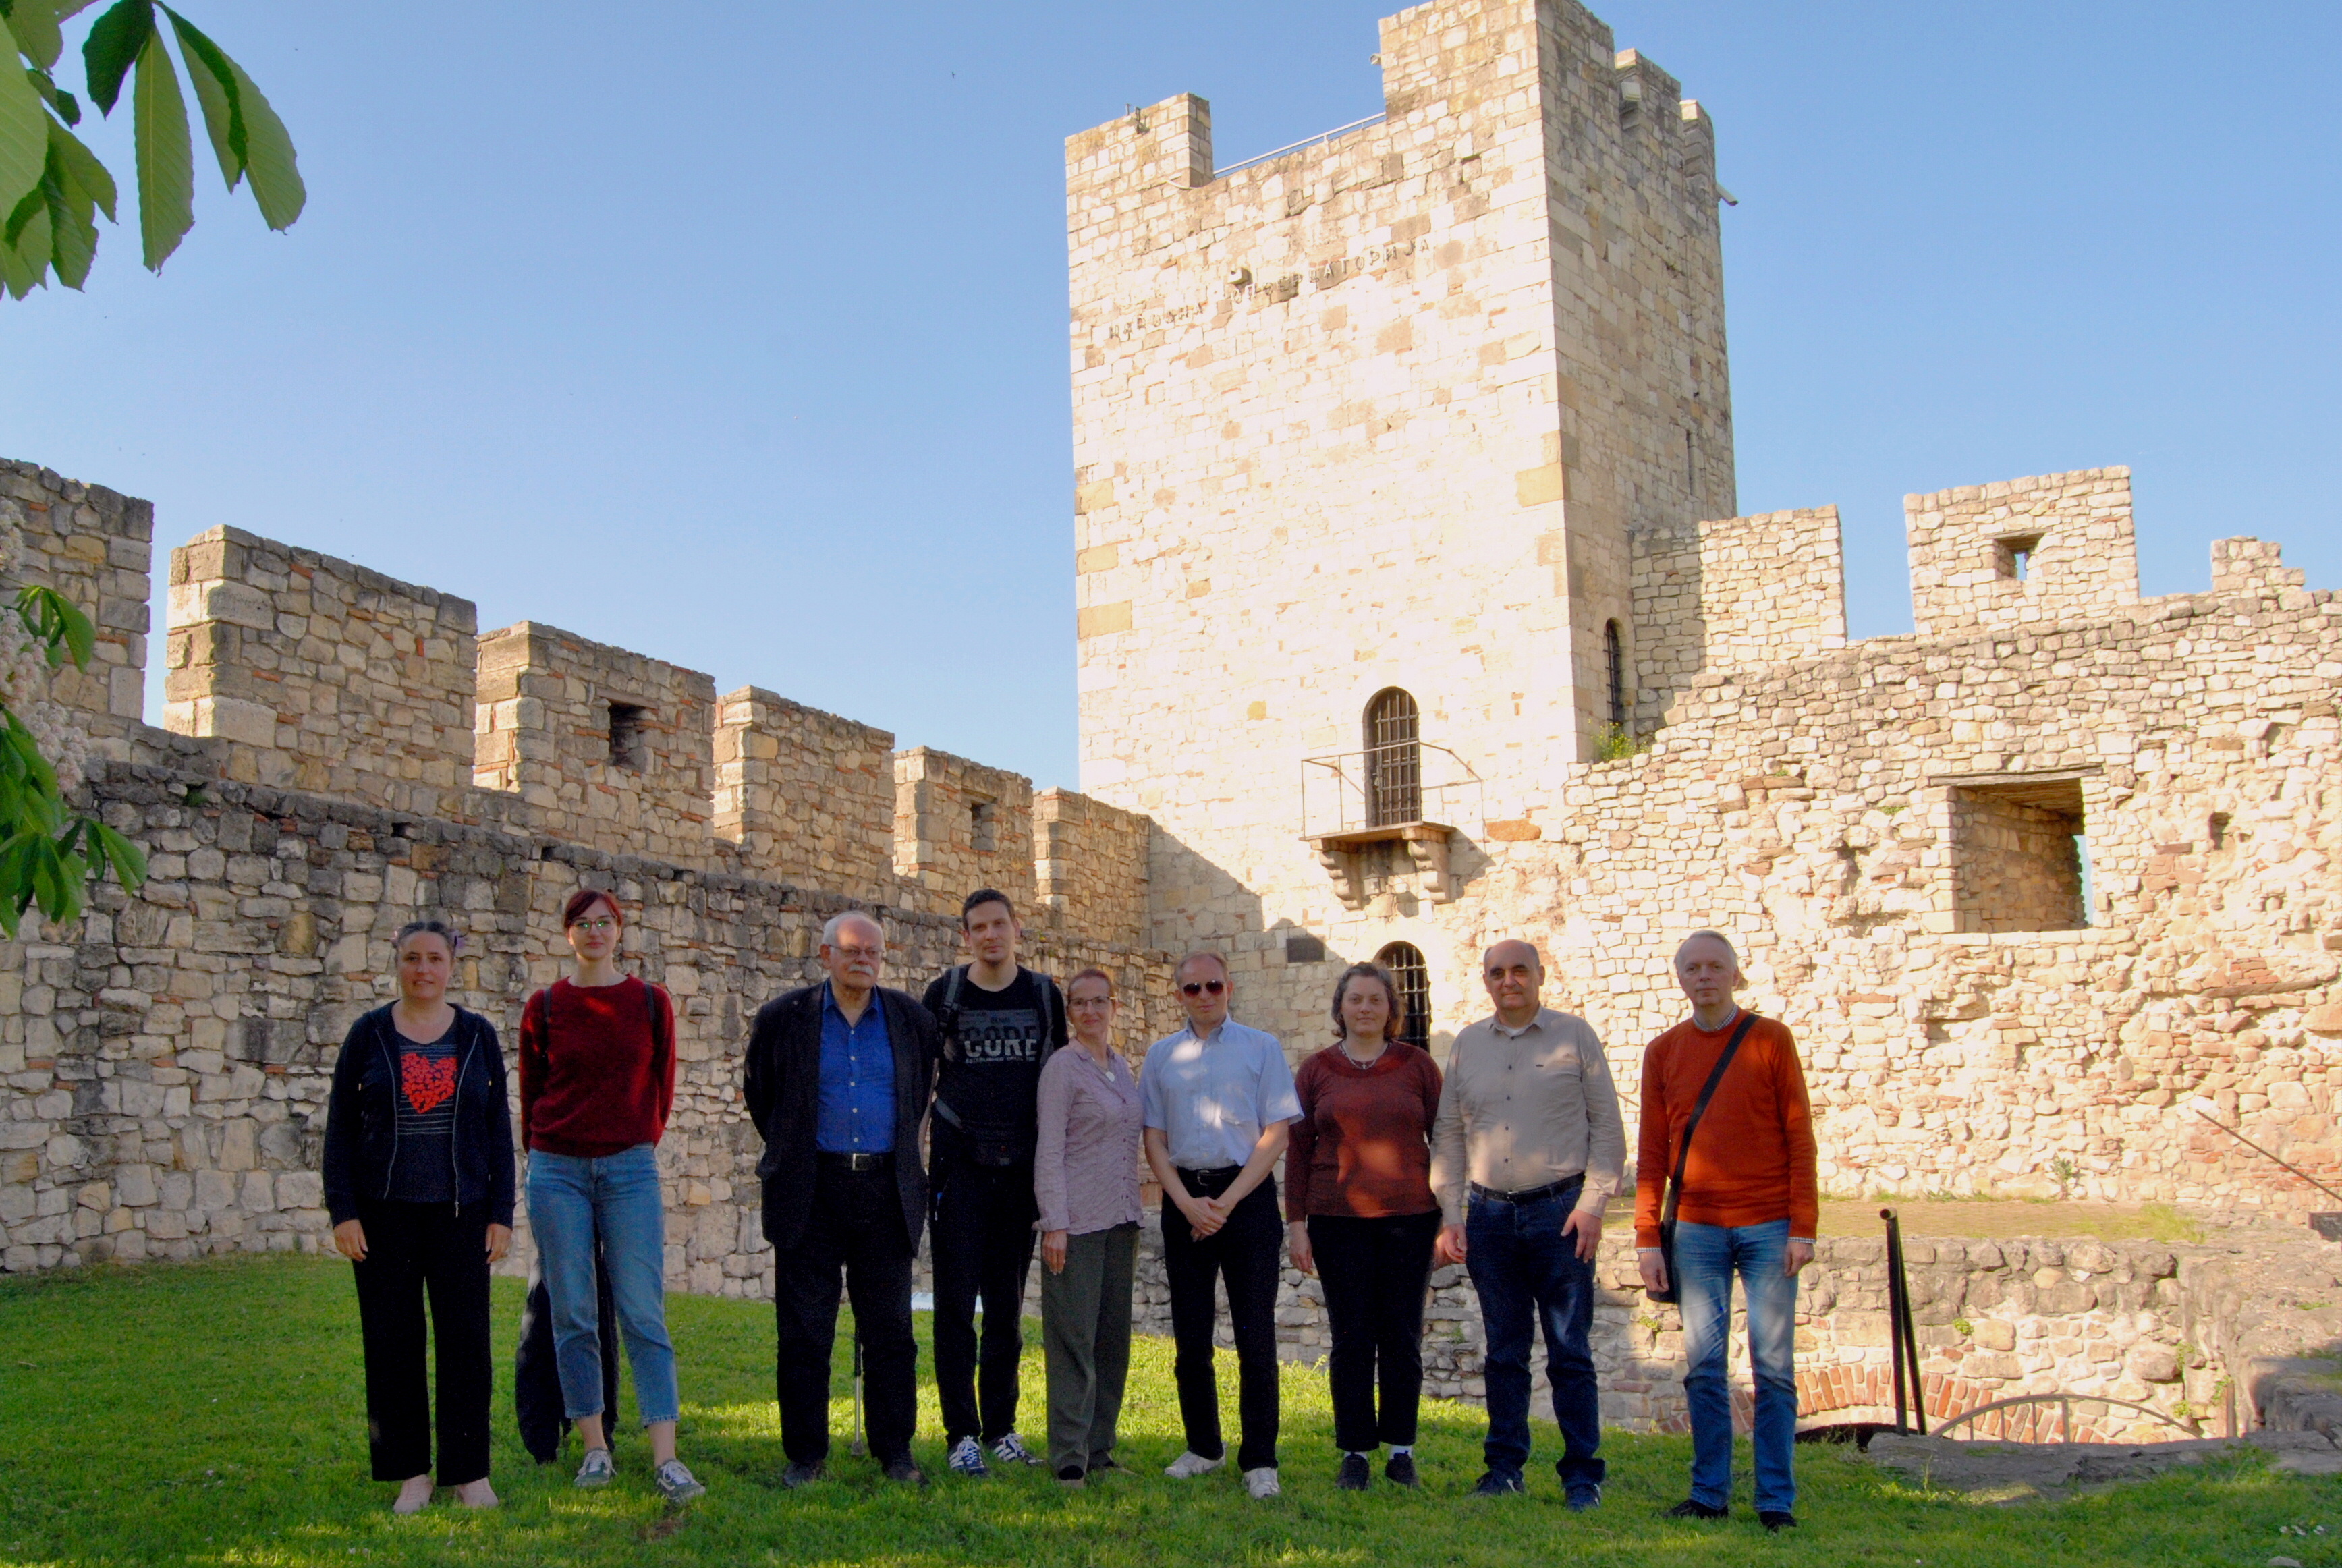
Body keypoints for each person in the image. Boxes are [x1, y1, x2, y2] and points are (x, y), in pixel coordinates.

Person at [744, 909, 943, 1488]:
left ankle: (895, 1451)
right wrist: (794, 1151)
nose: (863, 960)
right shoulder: (784, 1017)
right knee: (804, 1331)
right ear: (826, 954)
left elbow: (919, 1094)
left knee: (890, 1331)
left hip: (885, 1189)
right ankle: (805, 1455)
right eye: (852, 950)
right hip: (810, 1188)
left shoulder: (910, 1019)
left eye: (872, 952)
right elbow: (762, 1094)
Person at [322, 918, 513, 1514]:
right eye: (412, 958)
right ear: (397, 963)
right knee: (392, 1345)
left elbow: (498, 1130)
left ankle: (469, 1474)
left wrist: (501, 1213)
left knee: (466, 1344)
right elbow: (339, 1129)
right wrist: (344, 1211)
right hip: (384, 1217)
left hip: (462, 1214)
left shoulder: (477, 1035)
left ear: (452, 966)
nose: (423, 969)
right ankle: (411, 1474)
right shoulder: (368, 1034)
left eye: (434, 958)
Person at [518, 889, 702, 1504]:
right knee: (573, 1312)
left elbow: (661, 1088)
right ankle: (595, 1446)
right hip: (557, 1170)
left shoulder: (650, 1002)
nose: (594, 932)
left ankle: (666, 1456)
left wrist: (634, 1140)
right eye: (582, 923)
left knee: (642, 1311)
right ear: (567, 933)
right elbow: (532, 1092)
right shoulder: (545, 1006)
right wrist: (548, 1150)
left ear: (619, 931)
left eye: (604, 922)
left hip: (628, 1169)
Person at [1430, 939, 1625, 1507]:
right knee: (1503, 1351)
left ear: (1540, 975)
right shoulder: (1467, 1045)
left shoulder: (1575, 1036)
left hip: (1560, 1214)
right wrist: (1451, 1214)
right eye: (1497, 972)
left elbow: (1606, 1127)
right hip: (1489, 1216)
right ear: (1485, 981)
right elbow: (1448, 1134)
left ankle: (1582, 1476)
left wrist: (1593, 1205)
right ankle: (1503, 1469)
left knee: (1570, 1350)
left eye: (1519, 971)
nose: (1508, 981)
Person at [1636, 930, 1818, 1532]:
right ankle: (1709, 1492)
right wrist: (1646, 1236)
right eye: (1693, 968)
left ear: (1734, 975)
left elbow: (1798, 1135)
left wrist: (1803, 1227)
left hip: (1768, 1224)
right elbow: (1651, 1150)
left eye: (1715, 966)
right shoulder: (1664, 1052)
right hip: (1696, 1228)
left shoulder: (1770, 1040)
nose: (1704, 976)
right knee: (1704, 1369)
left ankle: (1775, 1500)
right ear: (1680, 979)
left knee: (1773, 1368)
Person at [1140, 949, 1301, 1500]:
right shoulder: (1161, 1056)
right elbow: (1153, 1139)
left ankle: (1260, 1459)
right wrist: (1187, 1203)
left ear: (1229, 988)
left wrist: (1225, 1203)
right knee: (1191, 1337)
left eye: (1213, 986)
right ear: (1178, 995)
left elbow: (1276, 1134)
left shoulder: (1262, 1047)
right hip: (1184, 1197)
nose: (1203, 996)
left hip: (1245, 1198)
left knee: (1256, 1337)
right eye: (1192, 989)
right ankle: (1203, 1446)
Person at [920, 889, 1068, 1478]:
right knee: (955, 1307)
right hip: (958, 1169)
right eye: (978, 927)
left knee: (1005, 1309)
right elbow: (922, 1078)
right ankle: (961, 1435)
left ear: (1016, 928)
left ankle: (1001, 1429)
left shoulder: (1043, 995)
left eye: (998, 924)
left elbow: (1059, 1081)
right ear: (965, 936)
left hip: (1019, 1170)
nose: (990, 935)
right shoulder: (945, 994)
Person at [1285, 961, 1444, 1491]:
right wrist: (1296, 1223)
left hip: (1410, 1220)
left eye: (1376, 999)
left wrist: (1452, 1214)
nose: (1365, 1008)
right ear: (1340, 1007)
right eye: (1355, 999)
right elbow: (1298, 1150)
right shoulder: (1316, 1070)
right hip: (1337, 1222)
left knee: (1402, 1337)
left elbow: (1445, 1139)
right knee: (1350, 1339)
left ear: (1391, 1009)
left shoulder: (1417, 1066)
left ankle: (1401, 1451)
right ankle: (1354, 1452)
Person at [1034, 967, 1144, 1490]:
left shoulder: (1120, 1067)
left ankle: (1100, 1448)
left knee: (1111, 1342)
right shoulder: (1062, 1067)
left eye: (1099, 1001)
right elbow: (1049, 1148)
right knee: (1072, 1342)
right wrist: (1054, 1223)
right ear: (1070, 1012)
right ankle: (1068, 1456)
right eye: (1079, 1003)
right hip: (1075, 1225)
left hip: (1121, 1220)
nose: (1090, 1011)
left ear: (1114, 1007)